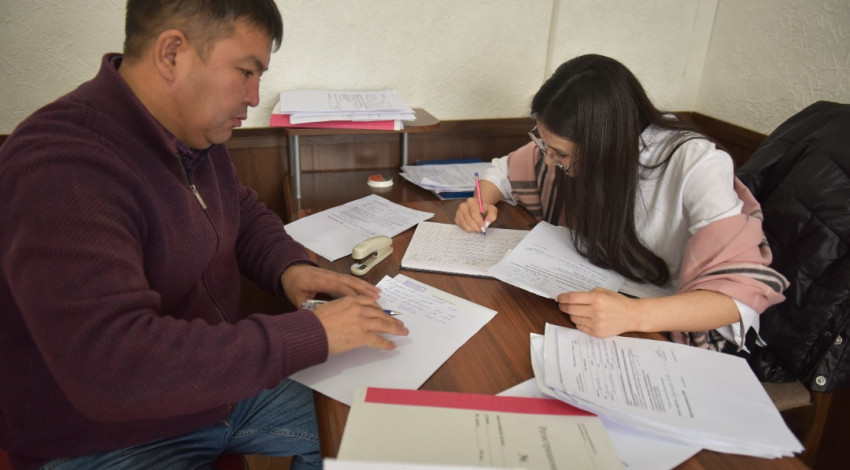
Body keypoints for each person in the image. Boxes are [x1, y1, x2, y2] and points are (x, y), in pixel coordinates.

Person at [0, 1, 408, 469]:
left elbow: (241, 211)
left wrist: (289, 268)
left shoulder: (193, 132)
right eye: (246, 72)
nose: (254, 97)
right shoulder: (60, 165)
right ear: (172, 53)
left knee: (377, 434)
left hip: (214, 392)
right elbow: (112, 366)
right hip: (103, 437)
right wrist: (310, 334)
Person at [455, 54, 788, 353]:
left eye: (561, 155)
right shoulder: (568, 148)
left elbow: (740, 295)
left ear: (605, 143)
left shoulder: (696, 165)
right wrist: (481, 201)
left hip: (659, 320)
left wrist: (633, 315)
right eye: (545, 147)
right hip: (598, 296)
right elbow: (503, 171)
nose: (550, 161)